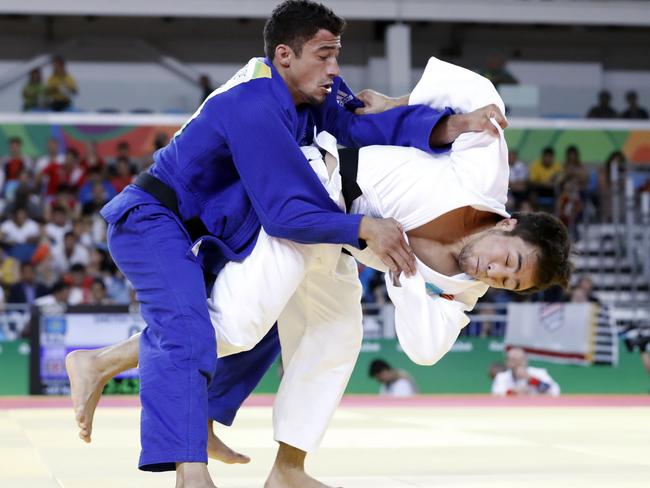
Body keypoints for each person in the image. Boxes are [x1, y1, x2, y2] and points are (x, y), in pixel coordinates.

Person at [67, 55, 566, 488]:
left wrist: (411, 278)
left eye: (509, 283)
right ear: (508, 223)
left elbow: (425, 349)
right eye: (509, 260)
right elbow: (476, 89)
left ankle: (288, 469)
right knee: (241, 327)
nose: (496, 273)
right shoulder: (485, 170)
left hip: (342, 245)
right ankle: (105, 363)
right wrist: (398, 102)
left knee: (337, 337)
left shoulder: (461, 290)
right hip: (310, 191)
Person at [491, 347, 560, 396]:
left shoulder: (538, 373)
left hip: (536, 410)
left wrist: (531, 379)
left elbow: (555, 391)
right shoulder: (501, 377)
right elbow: (497, 395)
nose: (517, 363)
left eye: (520, 359)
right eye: (513, 360)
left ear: (526, 360)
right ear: (507, 362)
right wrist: (514, 392)